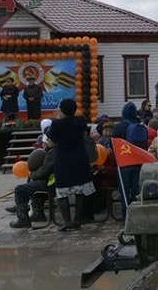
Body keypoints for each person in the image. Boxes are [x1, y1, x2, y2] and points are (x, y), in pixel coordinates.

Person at [48, 99, 95, 231]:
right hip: (80, 158)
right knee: (80, 191)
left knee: (63, 191)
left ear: (62, 110)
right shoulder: (80, 121)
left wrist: (58, 117)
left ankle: (67, 222)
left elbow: (52, 137)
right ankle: (77, 220)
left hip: (63, 160)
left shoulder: (57, 124)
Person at [8, 137, 56, 228]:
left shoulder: (53, 153)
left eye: (49, 139)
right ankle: (38, 214)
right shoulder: (61, 150)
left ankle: (22, 219)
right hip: (58, 182)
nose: (47, 141)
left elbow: (44, 171)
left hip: (52, 184)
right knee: (33, 186)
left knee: (20, 189)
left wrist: (32, 174)